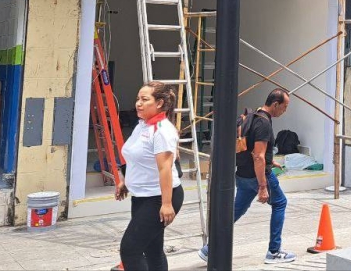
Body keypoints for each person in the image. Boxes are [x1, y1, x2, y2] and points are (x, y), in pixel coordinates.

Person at [198, 89, 295, 265]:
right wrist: (263, 187)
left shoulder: (252, 117)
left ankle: (209, 249)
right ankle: (274, 252)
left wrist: (270, 161)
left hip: (242, 174)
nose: (285, 110)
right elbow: (257, 156)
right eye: (285, 106)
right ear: (275, 104)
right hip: (256, 176)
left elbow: (251, 149)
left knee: (236, 210)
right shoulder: (264, 124)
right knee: (280, 203)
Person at [116, 82, 184, 271]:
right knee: (152, 249)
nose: (138, 103)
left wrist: (167, 203)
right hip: (142, 196)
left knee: (130, 250)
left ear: (160, 103)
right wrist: (125, 181)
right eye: (138, 98)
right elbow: (135, 157)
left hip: (158, 198)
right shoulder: (142, 126)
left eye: (145, 99)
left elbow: (165, 168)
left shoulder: (162, 130)